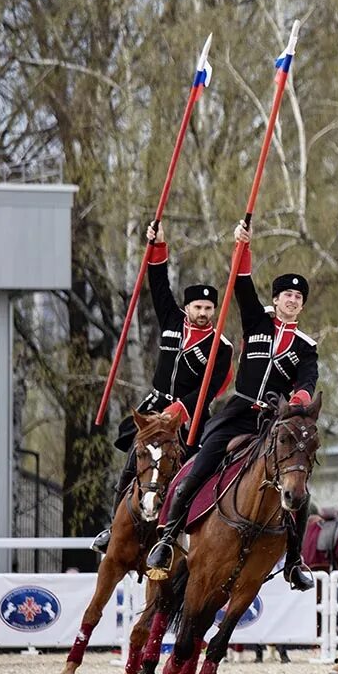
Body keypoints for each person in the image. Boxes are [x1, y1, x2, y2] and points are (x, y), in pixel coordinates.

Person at [145, 220, 319, 589]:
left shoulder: (306, 346)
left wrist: (299, 402)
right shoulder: (257, 323)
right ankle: (166, 536)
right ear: (276, 300)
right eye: (286, 295)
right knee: (200, 466)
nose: (291, 300)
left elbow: (307, 381)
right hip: (238, 413)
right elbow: (241, 283)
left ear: (302, 305)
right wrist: (243, 246)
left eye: (298, 297)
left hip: (274, 423)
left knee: (300, 485)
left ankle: (293, 560)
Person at [92, 220, 233, 551]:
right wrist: (157, 245)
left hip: (190, 415)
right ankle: (113, 529)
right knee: (131, 464)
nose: (203, 313)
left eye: (209, 308)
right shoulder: (171, 319)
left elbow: (208, 389)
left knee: (190, 474)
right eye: (198, 307)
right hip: (154, 404)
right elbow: (157, 281)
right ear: (187, 307)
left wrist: (177, 412)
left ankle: (177, 534)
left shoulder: (221, 346)